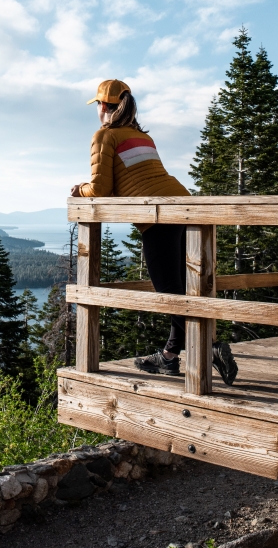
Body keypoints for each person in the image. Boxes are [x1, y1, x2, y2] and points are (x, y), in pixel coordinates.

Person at [71, 79, 237, 386]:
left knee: (169, 292)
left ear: (103, 107)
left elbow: (101, 189)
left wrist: (78, 190)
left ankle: (211, 347)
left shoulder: (104, 136)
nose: (98, 110)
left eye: (98, 105)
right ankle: (170, 358)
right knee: (184, 290)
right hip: (181, 204)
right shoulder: (142, 137)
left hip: (158, 217)